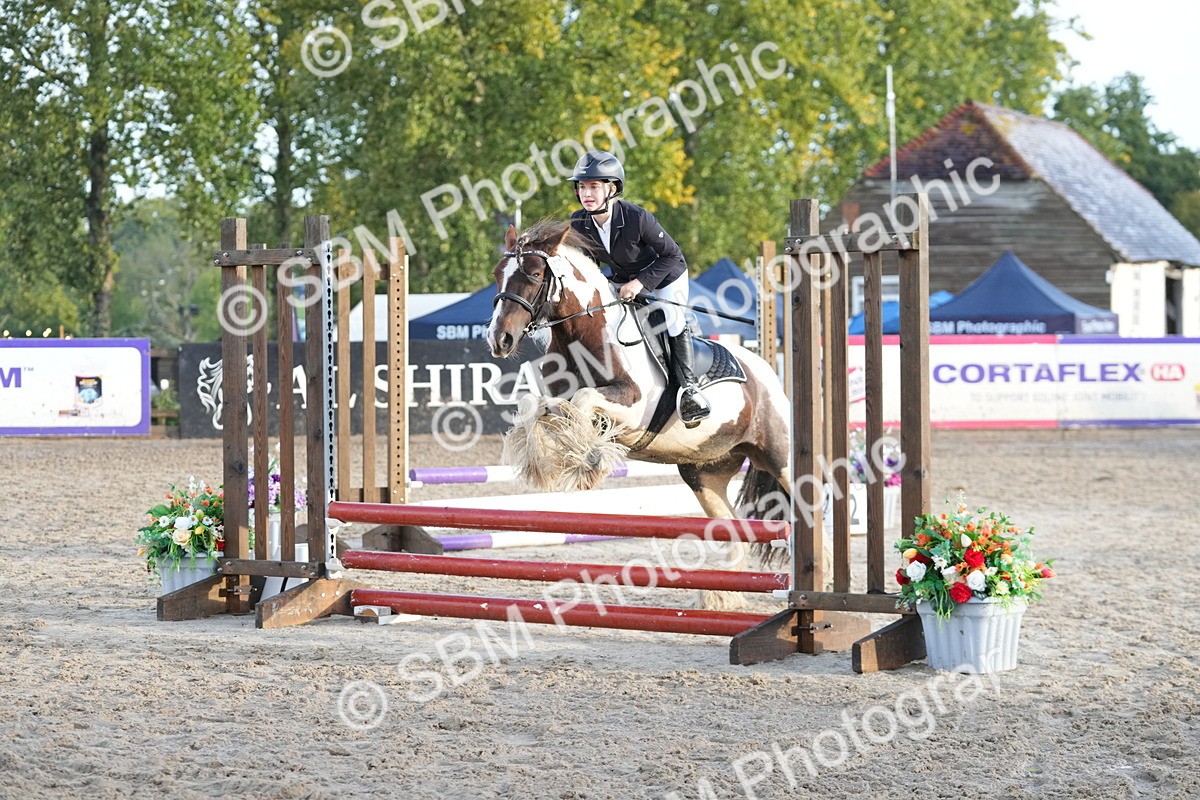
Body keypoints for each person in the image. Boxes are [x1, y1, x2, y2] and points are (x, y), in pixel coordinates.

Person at [567, 150, 711, 427]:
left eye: (594, 186)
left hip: (667, 274)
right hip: (622, 279)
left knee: (671, 320)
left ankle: (689, 390)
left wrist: (641, 283)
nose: (587, 193)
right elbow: (587, 265)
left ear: (612, 188)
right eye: (582, 186)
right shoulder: (579, 222)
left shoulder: (637, 217)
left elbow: (671, 255)